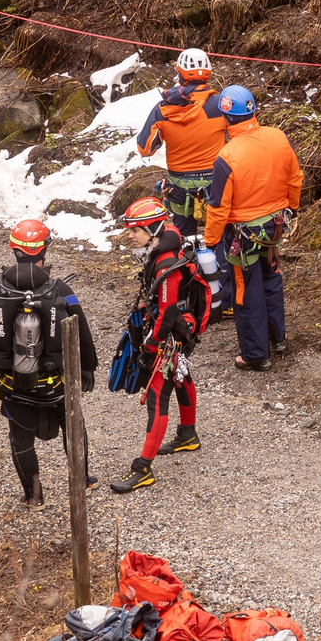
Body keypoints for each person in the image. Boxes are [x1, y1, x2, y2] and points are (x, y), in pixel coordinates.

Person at [0, 219, 98, 507]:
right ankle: (83, 482)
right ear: (44, 251)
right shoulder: (60, 289)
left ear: (14, 251)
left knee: (20, 440)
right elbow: (82, 331)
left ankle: (34, 497)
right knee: (74, 429)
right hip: (57, 385)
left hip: (13, 387)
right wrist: (88, 368)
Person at [201, 84, 303, 370]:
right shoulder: (278, 137)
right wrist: (291, 207)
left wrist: (210, 242)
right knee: (272, 280)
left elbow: (219, 206)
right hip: (274, 227)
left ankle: (256, 354)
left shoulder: (227, 156)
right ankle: (278, 338)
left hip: (242, 236)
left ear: (225, 117)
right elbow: (295, 179)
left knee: (246, 291)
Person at [111, 195, 208, 494]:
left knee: (156, 396)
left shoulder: (167, 262)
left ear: (153, 229)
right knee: (181, 375)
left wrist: (149, 348)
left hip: (172, 333)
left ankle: (143, 469)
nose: (129, 235)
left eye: (134, 230)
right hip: (180, 329)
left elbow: (167, 311)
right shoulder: (166, 243)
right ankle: (188, 434)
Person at [135, 49, 230, 230]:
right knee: (221, 234)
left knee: (184, 237)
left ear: (179, 72)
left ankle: (186, 255)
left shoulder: (163, 108)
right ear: (208, 74)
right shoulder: (220, 106)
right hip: (216, 182)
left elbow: (145, 149)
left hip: (179, 186)